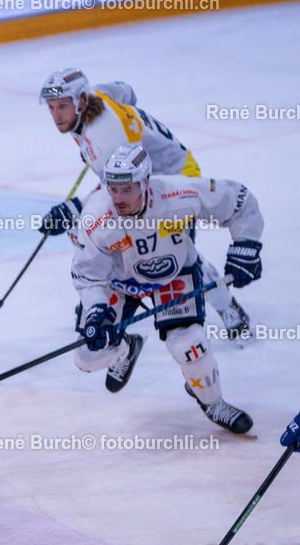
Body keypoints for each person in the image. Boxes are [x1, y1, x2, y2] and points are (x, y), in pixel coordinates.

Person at [37, 67, 250, 340]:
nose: (56, 116)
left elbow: (111, 194)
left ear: (80, 101)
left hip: (174, 181)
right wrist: (131, 125)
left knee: (180, 254)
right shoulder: (97, 95)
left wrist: (72, 209)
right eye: (52, 107)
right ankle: (103, 300)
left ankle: (226, 306)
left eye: (62, 107)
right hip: (143, 181)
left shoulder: (104, 140)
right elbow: (127, 90)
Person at [70, 145, 263, 433]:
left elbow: (239, 199)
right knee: (87, 357)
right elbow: (88, 275)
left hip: (174, 275)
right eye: (113, 188)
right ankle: (125, 349)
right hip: (119, 283)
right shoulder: (96, 217)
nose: (118, 198)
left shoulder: (178, 193)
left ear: (146, 182)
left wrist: (246, 246)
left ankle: (213, 403)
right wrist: (99, 311)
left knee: (190, 347)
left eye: (128, 189)